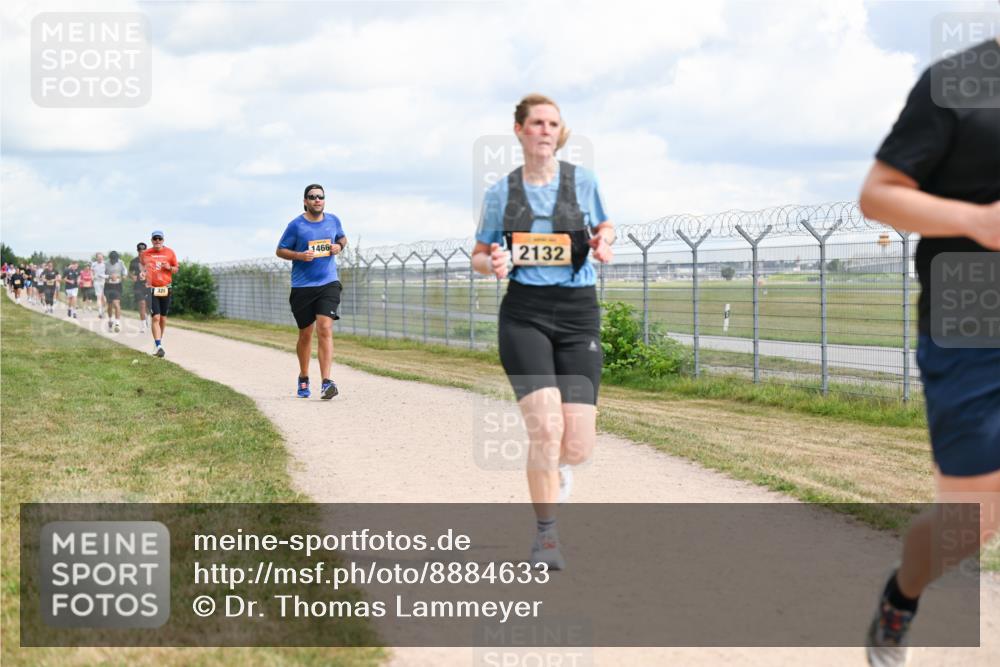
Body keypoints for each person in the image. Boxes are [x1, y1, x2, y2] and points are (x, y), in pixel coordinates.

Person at [858, 35, 1000, 667]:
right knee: (971, 522)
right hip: (971, 319)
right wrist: (975, 221)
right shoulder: (959, 80)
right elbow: (879, 195)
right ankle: (902, 593)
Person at [472, 94, 614, 570]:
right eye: (536, 123)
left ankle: (555, 476)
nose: (546, 130)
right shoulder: (501, 193)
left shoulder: (583, 182)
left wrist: (604, 242)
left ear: (561, 131)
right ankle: (546, 537)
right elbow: (478, 251)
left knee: (576, 445)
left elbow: (607, 226)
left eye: (553, 123)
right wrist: (490, 261)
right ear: (519, 130)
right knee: (546, 429)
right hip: (524, 314)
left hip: (577, 315)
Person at [275, 183, 347, 400]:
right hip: (302, 287)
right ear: (305, 201)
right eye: (312, 197)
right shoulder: (296, 225)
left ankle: (326, 382)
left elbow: (342, 237)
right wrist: (299, 256)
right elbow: (280, 250)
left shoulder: (333, 220)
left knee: (325, 328)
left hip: (328, 283)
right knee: (306, 334)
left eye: (320, 197)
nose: (317, 200)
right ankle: (304, 376)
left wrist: (339, 247)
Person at [142, 231, 179, 357]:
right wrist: (143, 274)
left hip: (165, 288)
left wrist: (169, 267)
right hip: (152, 289)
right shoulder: (146, 254)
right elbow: (143, 268)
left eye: (159, 238)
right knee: (156, 317)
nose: (157, 241)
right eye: (155, 238)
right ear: (151, 240)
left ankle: (158, 342)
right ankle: (158, 346)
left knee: (163, 318)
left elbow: (176, 269)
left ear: (163, 240)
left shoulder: (170, 252)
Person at [129, 242, 151, 333]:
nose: (142, 252)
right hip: (138, 285)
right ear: (137, 251)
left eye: (143, 250)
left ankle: (147, 317)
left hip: (149, 284)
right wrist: (132, 276)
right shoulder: (133, 261)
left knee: (149, 306)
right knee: (141, 304)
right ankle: (143, 326)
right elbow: (130, 272)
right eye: (140, 251)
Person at [104, 250, 128, 332]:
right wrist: (109, 276)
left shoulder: (121, 262)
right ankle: (110, 320)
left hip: (117, 286)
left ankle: (117, 323)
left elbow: (125, 270)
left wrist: (124, 275)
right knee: (110, 305)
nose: (114, 261)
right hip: (108, 286)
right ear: (110, 258)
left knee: (116, 304)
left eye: (115, 259)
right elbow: (100, 274)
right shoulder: (105, 263)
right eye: (113, 260)